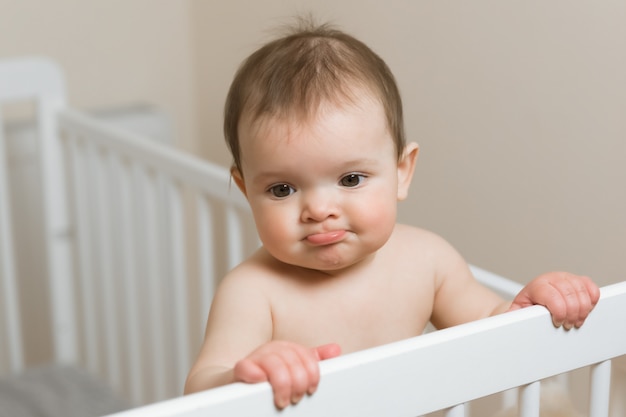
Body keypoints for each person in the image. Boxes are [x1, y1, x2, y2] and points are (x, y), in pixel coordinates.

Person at [184, 19, 600, 409]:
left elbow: (495, 327)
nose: (319, 210)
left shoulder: (428, 261)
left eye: (350, 180)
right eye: (282, 189)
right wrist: (244, 377)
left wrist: (533, 305)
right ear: (245, 190)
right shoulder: (253, 291)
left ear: (402, 172)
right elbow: (201, 384)